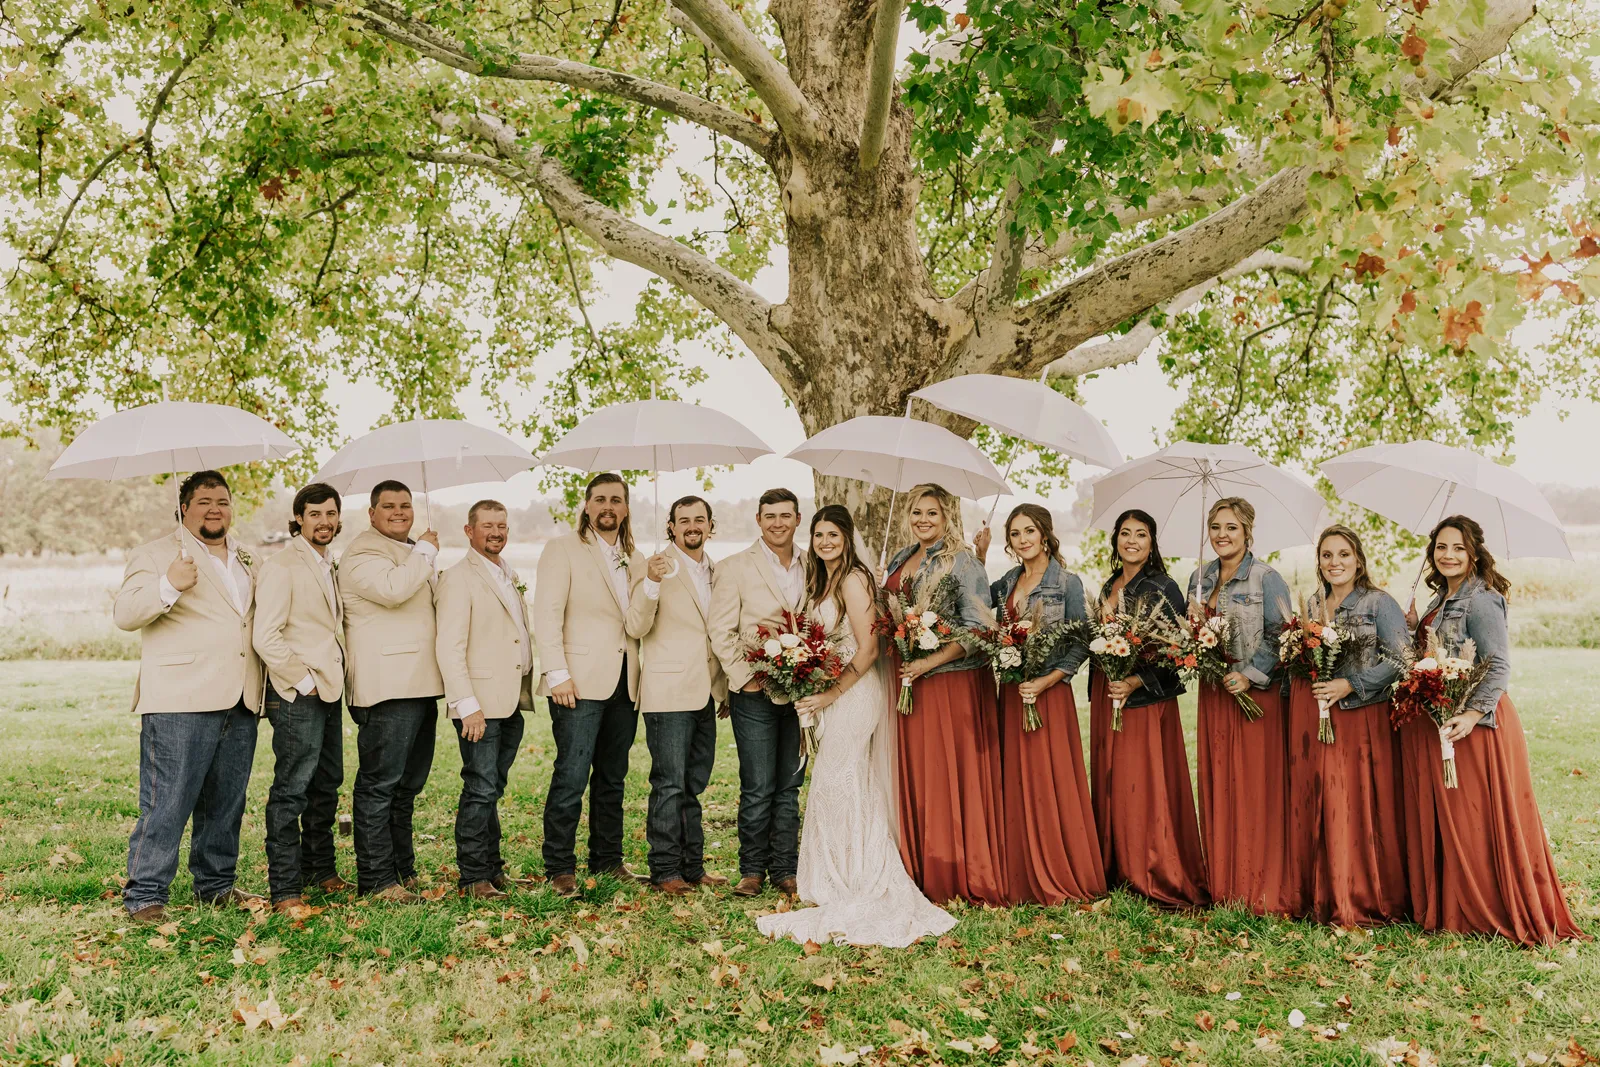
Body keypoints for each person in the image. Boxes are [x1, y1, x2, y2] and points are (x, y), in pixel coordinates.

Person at [756, 506, 956, 947]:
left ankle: (856, 877)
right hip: (832, 692)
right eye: (819, 534)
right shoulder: (821, 578)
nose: (825, 541)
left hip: (854, 693)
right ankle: (837, 872)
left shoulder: (853, 578)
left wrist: (831, 692)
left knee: (837, 778)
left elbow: (868, 650)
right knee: (843, 780)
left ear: (846, 537)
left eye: (833, 534)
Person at [1398, 515, 1584, 945]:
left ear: (1475, 552)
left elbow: (1498, 666)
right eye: (1441, 547)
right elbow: (1435, 655)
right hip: (1443, 719)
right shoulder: (1439, 599)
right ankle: (1455, 904)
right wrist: (1416, 627)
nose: (1448, 555)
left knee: (1478, 819)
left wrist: (1472, 714)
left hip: (1478, 726)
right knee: (1454, 817)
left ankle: (1488, 908)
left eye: (1458, 548)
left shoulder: (1483, 600)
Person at [113, 470, 264, 922]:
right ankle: (145, 895)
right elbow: (125, 613)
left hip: (240, 698)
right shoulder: (157, 554)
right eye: (203, 501)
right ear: (183, 508)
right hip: (180, 699)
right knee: (167, 802)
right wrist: (169, 584)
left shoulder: (247, 558)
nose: (215, 508)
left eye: (222, 500)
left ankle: (215, 886)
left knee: (226, 802)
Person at [885, 484, 1005, 906]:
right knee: (918, 773)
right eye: (916, 512)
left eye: (932, 513)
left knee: (948, 775)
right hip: (909, 681)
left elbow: (980, 628)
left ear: (947, 516)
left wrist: (927, 662)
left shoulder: (963, 561)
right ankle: (915, 865)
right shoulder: (901, 558)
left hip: (950, 682)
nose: (923, 520)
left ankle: (951, 869)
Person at [1282, 525, 1408, 926]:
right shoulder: (1312, 605)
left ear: (1359, 560)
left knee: (1357, 803)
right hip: (1319, 717)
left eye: (1343, 555)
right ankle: (1325, 894)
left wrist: (1351, 683)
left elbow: (1399, 661)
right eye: (1326, 555)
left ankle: (1363, 895)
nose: (1335, 563)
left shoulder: (1378, 603)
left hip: (1362, 718)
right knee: (1323, 801)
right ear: (1318, 562)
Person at [533, 473, 647, 897]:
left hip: (625, 682)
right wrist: (557, 673)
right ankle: (559, 866)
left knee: (613, 777)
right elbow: (547, 614)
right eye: (599, 499)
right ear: (586, 505)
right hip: (576, 683)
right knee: (571, 775)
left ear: (626, 508)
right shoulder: (562, 550)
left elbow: (637, 621)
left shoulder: (637, 557)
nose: (608, 507)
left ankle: (608, 859)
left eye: (616, 500)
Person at [988, 504, 1106, 905]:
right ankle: (1018, 869)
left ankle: (1060, 868)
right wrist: (976, 552)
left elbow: (1081, 644)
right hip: (1013, 692)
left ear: (1045, 534)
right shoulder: (1006, 581)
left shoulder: (1067, 583)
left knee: (1049, 779)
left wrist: (1045, 681)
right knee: (1016, 777)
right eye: (1015, 534)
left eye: (1029, 531)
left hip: (1049, 695)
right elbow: (977, 609)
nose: (1023, 540)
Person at [1091, 509, 1209, 909]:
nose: (1132, 541)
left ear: (1152, 543)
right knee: (1115, 783)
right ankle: (1120, 865)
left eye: (1141, 534)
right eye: (1125, 533)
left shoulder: (1163, 587)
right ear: (1116, 541)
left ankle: (1152, 868)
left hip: (1144, 701)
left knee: (1144, 786)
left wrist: (1135, 681)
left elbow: (1176, 653)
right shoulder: (1110, 584)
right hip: (1111, 696)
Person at [1185, 497, 1294, 915]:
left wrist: (1249, 674)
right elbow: (1193, 638)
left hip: (1254, 695)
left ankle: (1259, 885)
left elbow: (1281, 635)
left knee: (1254, 786)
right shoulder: (1200, 576)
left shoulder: (1267, 578)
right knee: (1219, 781)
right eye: (1215, 527)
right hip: (1216, 694)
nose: (1221, 535)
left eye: (1230, 527)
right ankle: (1225, 883)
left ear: (1248, 531)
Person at [252, 482, 353, 914]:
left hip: (328, 689)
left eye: (330, 514)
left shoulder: (330, 563)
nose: (324, 522)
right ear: (298, 519)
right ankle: (285, 889)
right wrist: (303, 680)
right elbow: (265, 636)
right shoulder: (282, 566)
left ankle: (320, 869)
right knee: (292, 789)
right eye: (315, 514)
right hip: (297, 693)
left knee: (326, 784)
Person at [341, 479, 443, 903]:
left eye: (405, 505)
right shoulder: (362, 552)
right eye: (389, 506)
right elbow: (394, 591)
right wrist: (426, 551)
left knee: (406, 789)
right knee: (379, 787)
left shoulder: (410, 552)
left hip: (421, 683)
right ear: (371, 513)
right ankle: (377, 880)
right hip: (387, 687)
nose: (399, 512)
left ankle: (403, 870)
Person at [708, 488, 809, 897]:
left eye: (786, 515)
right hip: (755, 691)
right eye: (770, 515)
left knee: (789, 784)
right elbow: (721, 629)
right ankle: (751, 869)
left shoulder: (815, 563)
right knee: (757, 785)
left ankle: (786, 869)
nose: (778, 523)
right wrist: (744, 677)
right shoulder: (734, 567)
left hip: (803, 690)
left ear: (798, 519)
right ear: (758, 519)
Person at [626, 496, 730, 895]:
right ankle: (664, 870)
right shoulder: (654, 568)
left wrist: (723, 685)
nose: (692, 526)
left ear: (710, 525)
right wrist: (651, 583)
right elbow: (636, 626)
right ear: (670, 526)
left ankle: (693, 867)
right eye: (683, 520)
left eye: (699, 520)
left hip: (707, 692)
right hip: (668, 693)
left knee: (694, 784)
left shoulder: (717, 571)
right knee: (669, 784)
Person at [436, 500, 534, 900]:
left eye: (502, 524)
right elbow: (449, 646)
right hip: (479, 705)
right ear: (468, 530)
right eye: (488, 525)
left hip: (510, 702)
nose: (496, 531)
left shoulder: (506, 573)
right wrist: (466, 704)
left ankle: (493, 870)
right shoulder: (459, 578)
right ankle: (473, 877)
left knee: (491, 787)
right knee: (479, 788)